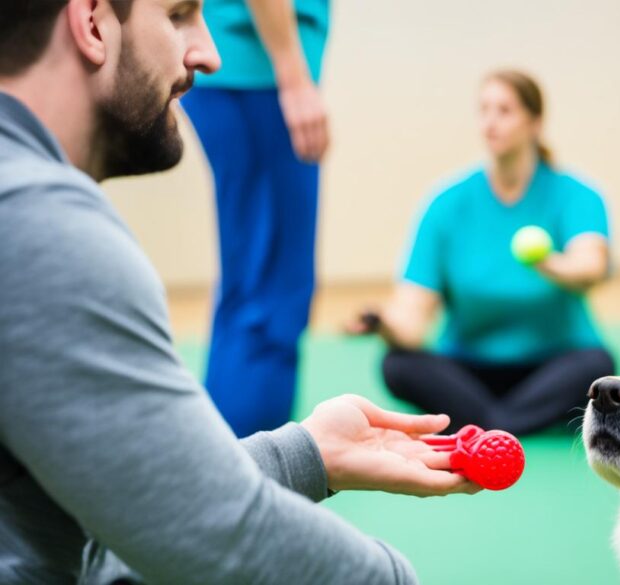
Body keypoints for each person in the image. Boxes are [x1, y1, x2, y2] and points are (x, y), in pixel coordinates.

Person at [0, 2, 476, 583]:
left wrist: (305, 455)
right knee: (271, 301)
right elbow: (211, 533)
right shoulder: (40, 229)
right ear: (94, 22)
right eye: (178, 14)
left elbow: (103, 528)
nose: (207, 52)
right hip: (267, 85)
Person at [346, 70, 616, 436]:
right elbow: (412, 320)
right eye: (484, 110)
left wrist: (546, 262)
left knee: (597, 365)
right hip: (468, 370)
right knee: (397, 364)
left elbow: (590, 266)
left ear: (535, 122)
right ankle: (505, 422)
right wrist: (382, 323)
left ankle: (487, 424)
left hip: (555, 364)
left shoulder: (577, 194)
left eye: (504, 111)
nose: (490, 122)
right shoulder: (446, 203)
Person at [180, 0, 331, 437]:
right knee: (274, 289)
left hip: (248, 71)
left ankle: (225, 455)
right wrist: (294, 78)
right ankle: (246, 467)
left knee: (253, 280)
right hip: (257, 74)